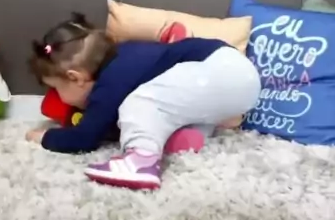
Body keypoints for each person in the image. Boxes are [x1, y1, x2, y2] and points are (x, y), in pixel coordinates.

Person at [26, 13, 260, 191]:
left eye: (55, 88)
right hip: (237, 75)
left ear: (75, 78)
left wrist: (45, 137)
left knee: (138, 104)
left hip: (219, 71)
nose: (55, 96)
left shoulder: (110, 83)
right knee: (163, 108)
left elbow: (85, 138)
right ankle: (189, 135)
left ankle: (140, 161)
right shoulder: (126, 56)